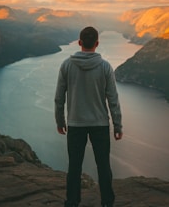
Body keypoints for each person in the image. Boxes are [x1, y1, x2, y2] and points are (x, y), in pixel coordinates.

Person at [55, 26, 123, 207]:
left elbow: (59, 98)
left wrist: (60, 121)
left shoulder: (67, 65)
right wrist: (118, 125)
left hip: (75, 124)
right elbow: (113, 99)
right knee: (103, 166)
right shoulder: (105, 67)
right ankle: (108, 202)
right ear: (97, 44)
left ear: (79, 43)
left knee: (74, 167)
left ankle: (72, 202)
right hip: (100, 124)